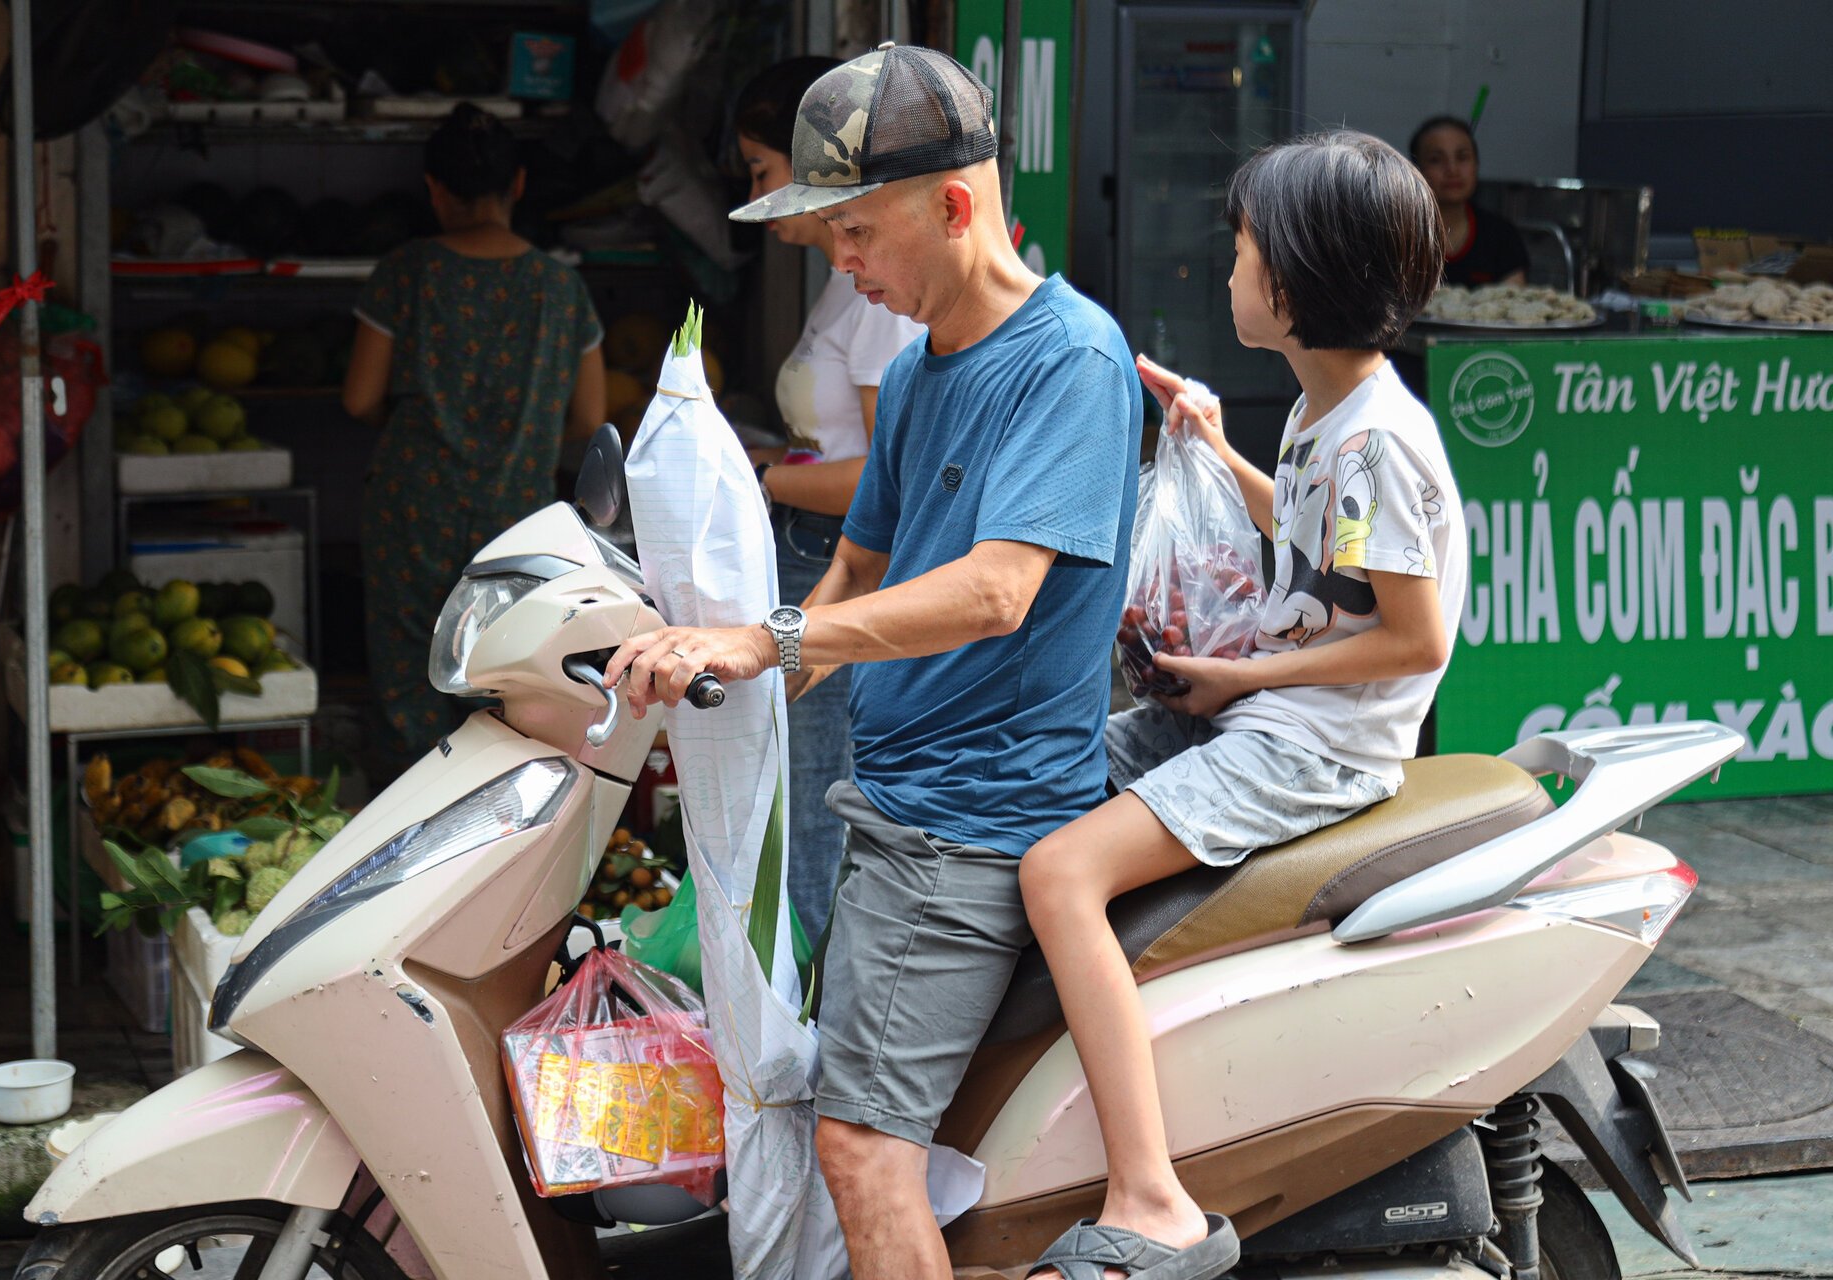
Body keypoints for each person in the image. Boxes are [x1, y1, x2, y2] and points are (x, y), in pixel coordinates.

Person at [604, 44, 1144, 1280]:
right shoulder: (913, 376)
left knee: (855, 1145)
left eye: (854, 232)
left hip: (971, 821)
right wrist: (713, 668)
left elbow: (1000, 589)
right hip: (891, 801)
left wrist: (772, 636)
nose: (839, 263)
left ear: (954, 207)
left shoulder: (1070, 360)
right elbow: (855, 572)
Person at [1017, 131, 1462, 1280]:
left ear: (1294, 282)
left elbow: (1414, 637)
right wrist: (1219, 451)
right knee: (1042, 768)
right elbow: (1329, 559)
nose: (1227, 270)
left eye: (1243, 248)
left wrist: (1242, 680)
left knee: (1057, 874)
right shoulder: (1328, 413)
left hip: (1313, 748)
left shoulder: (1375, 439)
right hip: (1266, 713)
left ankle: (1148, 1192)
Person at [343, 103, 606, 763]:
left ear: (433, 188)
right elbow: (587, 418)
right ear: (517, 185)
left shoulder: (405, 272)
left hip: (412, 512)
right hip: (516, 516)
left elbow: (359, 399)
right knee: (507, 680)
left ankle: (407, 830)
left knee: (410, 682)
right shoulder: (561, 287)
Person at [732, 55, 927, 937]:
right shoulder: (845, 287)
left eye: (762, 171)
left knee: (817, 797)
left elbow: (894, 468)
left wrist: (757, 476)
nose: (759, 195)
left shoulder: (883, 300)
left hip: (842, 556)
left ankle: (817, 1009)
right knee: (796, 786)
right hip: (818, 549)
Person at [1409, 115, 1528, 286]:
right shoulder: (1399, 234)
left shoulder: (1501, 236)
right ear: (1416, 170)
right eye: (1436, 160)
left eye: (1462, 157)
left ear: (1476, 165)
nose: (1452, 170)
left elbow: (1514, 301)